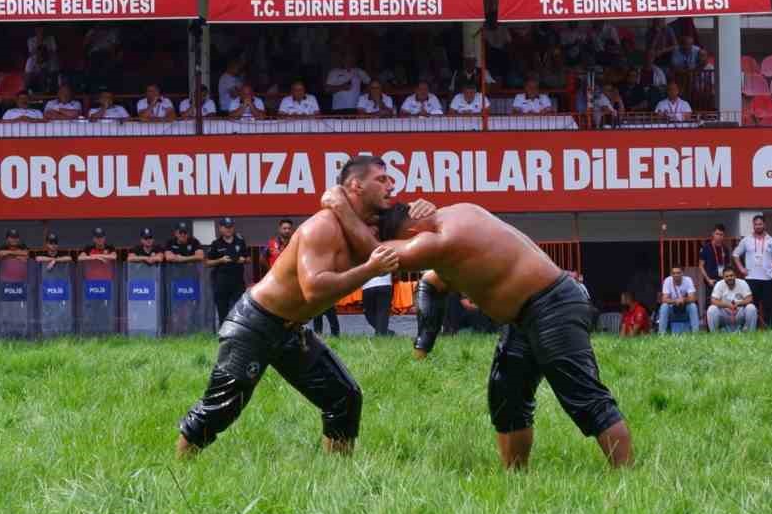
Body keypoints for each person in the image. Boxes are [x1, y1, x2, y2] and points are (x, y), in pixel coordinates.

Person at [319, 173, 633, 468]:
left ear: (413, 233)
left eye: (404, 242)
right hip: (524, 316)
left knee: (584, 398)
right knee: (506, 397)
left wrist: (341, 208)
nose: (408, 249)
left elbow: (377, 256)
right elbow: (431, 284)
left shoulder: (444, 239)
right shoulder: (457, 215)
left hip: (554, 305)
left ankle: (627, 478)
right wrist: (424, 342)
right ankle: (516, 481)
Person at [173, 162, 410, 462]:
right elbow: (314, 288)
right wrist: (369, 270)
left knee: (343, 397)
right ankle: (178, 472)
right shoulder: (322, 226)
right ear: (356, 186)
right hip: (255, 323)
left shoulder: (362, 224)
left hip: (290, 330)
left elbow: (409, 222)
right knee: (221, 407)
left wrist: (425, 208)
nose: (391, 185)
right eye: (381, 179)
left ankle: (338, 477)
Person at [734, 214, 772, 328]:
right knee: (751, 306)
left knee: (769, 306)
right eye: (756, 224)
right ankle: (751, 328)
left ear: (764, 224)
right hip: (751, 278)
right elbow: (735, 254)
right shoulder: (746, 240)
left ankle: (769, 328)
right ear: (753, 225)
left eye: (760, 224)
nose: (758, 226)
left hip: (767, 279)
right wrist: (741, 268)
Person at [206, 217, 249, 327]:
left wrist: (243, 260)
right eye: (226, 227)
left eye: (231, 227)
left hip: (238, 282)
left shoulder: (240, 241)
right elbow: (207, 263)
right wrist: (220, 260)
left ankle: (238, 333)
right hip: (221, 282)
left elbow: (249, 258)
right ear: (221, 228)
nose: (229, 229)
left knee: (239, 310)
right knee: (222, 311)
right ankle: (223, 334)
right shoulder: (216, 244)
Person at [707, 265, 757, 332]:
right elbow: (713, 301)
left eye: (731, 275)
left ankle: (750, 333)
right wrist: (727, 305)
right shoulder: (719, 284)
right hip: (725, 314)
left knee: (751, 308)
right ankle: (714, 333)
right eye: (727, 276)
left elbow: (750, 298)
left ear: (735, 276)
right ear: (723, 277)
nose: (729, 278)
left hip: (739, 313)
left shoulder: (742, 283)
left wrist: (739, 303)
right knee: (712, 309)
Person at [657, 266, 699, 333]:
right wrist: (675, 301)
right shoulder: (667, 280)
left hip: (685, 309)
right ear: (671, 274)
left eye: (678, 273)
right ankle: (662, 334)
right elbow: (664, 299)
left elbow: (693, 298)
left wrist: (683, 299)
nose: (676, 275)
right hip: (672, 310)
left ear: (682, 273)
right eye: (674, 273)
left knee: (693, 306)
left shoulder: (688, 280)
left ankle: (696, 333)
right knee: (664, 306)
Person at [361, 271, 394, 336]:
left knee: (369, 313)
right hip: (384, 284)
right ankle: (384, 332)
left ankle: (382, 334)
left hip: (368, 286)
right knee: (382, 313)